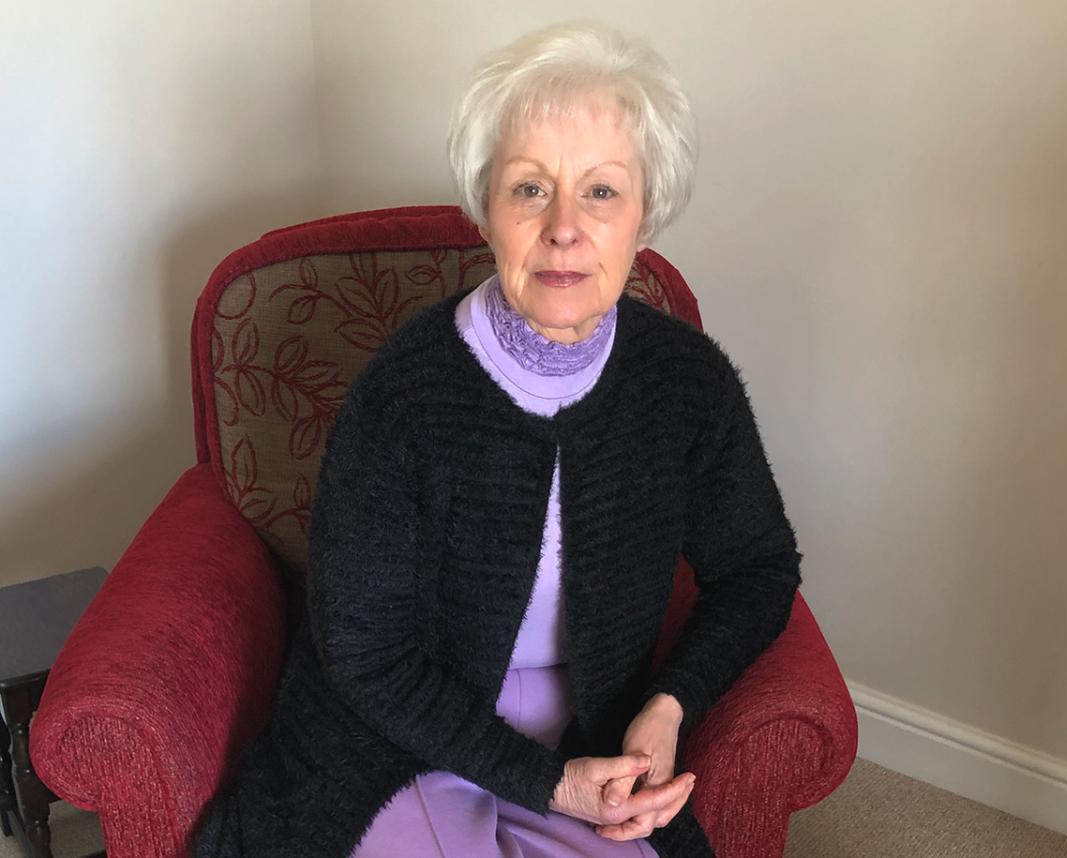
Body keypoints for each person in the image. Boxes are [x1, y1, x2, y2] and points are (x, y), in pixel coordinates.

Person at [191, 19, 801, 858]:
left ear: (646, 214)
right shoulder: (402, 396)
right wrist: (552, 786)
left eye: (601, 191)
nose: (563, 227)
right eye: (528, 188)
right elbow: (367, 658)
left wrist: (671, 705)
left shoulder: (688, 386)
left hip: (589, 739)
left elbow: (758, 566)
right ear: (486, 209)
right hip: (395, 743)